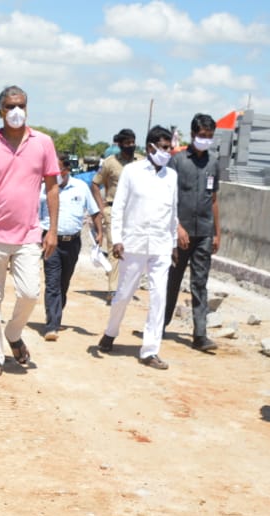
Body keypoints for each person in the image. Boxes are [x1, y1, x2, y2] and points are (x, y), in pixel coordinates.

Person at [0, 85, 60, 380]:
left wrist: (53, 230)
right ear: (0, 111)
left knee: (30, 293)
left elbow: (52, 187)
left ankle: (13, 332)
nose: (15, 111)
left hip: (29, 234)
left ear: (27, 108)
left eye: (20, 105)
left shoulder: (43, 143)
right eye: (9, 106)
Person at [97, 125, 178, 370]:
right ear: (151, 146)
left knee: (159, 297)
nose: (168, 152)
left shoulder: (171, 176)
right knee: (123, 294)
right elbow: (119, 206)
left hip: (161, 246)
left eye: (170, 147)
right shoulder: (132, 172)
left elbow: (173, 212)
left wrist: (173, 243)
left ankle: (150, 350)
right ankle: (111, 332)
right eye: (164, 147)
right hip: (133, 243)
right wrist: (117, 239)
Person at [165, 113, 222, 353]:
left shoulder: (214, 162)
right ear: (192, 134)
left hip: (204, 233)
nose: (205, 140)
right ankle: (159, 325)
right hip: (180, 234)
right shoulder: (177, 161)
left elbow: (214, 199)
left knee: (200, 283)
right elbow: (167, 198)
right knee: (172, 281)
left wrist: (217, 232)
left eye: (209, 136)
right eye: (201, 136)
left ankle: (200, 335)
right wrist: (176, 227)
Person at [40, 154, 101, 341]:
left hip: (73, 242)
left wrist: (100, 232)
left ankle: (56, 316)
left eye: (56, 169)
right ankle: (52, 325)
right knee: (52, 283)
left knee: (63, 283)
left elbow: (94, 211)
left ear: (65, 170)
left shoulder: (81, 187)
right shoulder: (43, 188)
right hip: (50, 241)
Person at [91, 129, 144, 299]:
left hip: (135, 212)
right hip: (113, 210)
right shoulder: (109, 163)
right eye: (127, 143)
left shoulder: (142, 162)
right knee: (114, 247)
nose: (131, 145)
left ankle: (126, 286)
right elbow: (95, 184)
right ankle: (113, 290)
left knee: (131, 250)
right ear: (120, 144)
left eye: (133, 142)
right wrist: (101, 207)